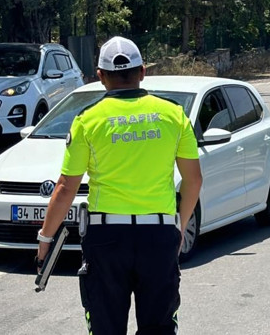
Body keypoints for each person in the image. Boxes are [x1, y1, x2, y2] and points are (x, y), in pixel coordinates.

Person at [36, 36, 203, 334]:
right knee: (159, 327)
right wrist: (180, 227)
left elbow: (65, 188)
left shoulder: (88, 120)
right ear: (143, 72)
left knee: (106, 326)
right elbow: (194, 180)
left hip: (107, 238)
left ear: (100, 77)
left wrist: (46, 239)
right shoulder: (173, 114)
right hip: (159, 234)